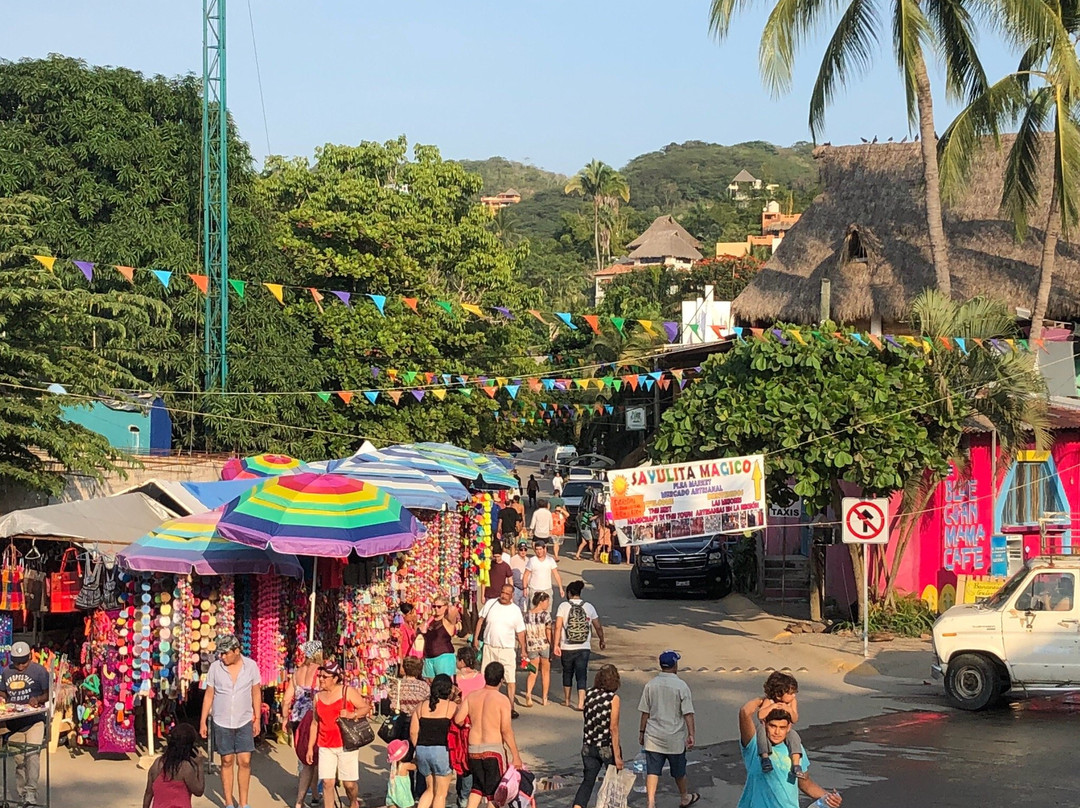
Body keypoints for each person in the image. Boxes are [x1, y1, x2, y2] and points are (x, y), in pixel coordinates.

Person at [737, 697, 841, 808]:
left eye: (782, 727)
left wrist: (829, 797)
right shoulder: (754, 746)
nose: (777, 732)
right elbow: (745, 712)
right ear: (764, 724)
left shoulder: (795, 749)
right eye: (773, 726)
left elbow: (805, 783)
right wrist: (768, 699)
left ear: (788, 727)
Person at [199, 634, 261, 808]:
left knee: (245, 761)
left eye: (226, 653)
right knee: (226, 761)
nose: (222, 657)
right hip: (222, 720)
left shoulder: (251, 666)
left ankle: (244, 803)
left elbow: (256, 692)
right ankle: (228, 802)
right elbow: (209, 695)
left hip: (244, 720)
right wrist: (203, 721)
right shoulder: (215, 668)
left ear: (236, 651)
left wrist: (257, 719)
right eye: (221, 653)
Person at [454, 663, 524, 808]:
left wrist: (470, 724)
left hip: (473, 749)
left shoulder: (472, 696)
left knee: (477, 788)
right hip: (493, 750)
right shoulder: (502, 700)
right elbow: (506, 730)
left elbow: (458, 719)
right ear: (501, 680)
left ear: (485, 677)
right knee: (494, 794)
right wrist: (515, 755)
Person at [306, 660, 371, 808]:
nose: (321, 679)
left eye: (325, 676)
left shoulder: (347, 692)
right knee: (328, 783)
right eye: (320, 676)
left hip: (346, 744)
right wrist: (310, 747)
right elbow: (315, 723)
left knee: (349, 784)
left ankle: (353, 802)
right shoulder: (317, 697)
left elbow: (365, 708)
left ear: (335, 678)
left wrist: (351, 714)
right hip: (325, 745)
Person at [638, 651, 698, 808]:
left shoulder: (650, 685)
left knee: (653, 771)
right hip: (674, 737)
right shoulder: (681, 686)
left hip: (653, 736)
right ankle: (684, 797)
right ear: (675, 665)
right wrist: (691, 734)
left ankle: (651, 802)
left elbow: (645, 712)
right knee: (679, 771)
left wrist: (642, 732)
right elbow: (688, 713)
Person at [0, 642, 50, 807]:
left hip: (35, 720)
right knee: (19, 760)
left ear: (30, 656)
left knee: (33, 755)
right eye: (17, 662)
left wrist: (38, 700)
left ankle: (31, 793)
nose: (20, 666)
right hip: (15, 723)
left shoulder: (39, 671)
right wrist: (3, 699)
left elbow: (48, 693)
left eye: (24, 662)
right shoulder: (7, 672)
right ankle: (22, 793)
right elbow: (3, 691)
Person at [572, 665, 623, 808]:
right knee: (613, 782)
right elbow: (613, 728)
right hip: (606, 746)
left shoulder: (589, 693)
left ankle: (577, 806)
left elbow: (587, 717)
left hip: (588, 745)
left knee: (588, 782)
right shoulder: (613, 699)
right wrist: (617, 756)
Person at [473, 584, 527, 718]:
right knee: (485, 676)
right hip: (489, 646)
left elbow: (520, 631)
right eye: (502, 592)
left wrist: (524, 650)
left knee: (510, 678)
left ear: (512, 596)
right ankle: (483, 704)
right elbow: (480, 621)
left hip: (506, 649)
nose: (503, 595)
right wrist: (475, 639)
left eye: (507, 594)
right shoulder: (491, 603)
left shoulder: (515, 610)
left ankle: (511, 706)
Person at [281, 640, 323, 808]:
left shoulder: (297, 672)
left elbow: (286, 699)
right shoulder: (320, 672)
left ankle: (311, 793)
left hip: (297, 717)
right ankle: (313, 793)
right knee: (313, 757)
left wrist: (285, 718)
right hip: (313, 718)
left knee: (302, 755)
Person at [553, 580, 604, 710]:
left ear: (569, 593)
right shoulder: (589, 606)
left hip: (567, 646)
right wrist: (601, 640)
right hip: (584, 647)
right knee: (582, 675)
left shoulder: (563, 606)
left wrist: (556, 645)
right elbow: (597, 626)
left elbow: (558, 626)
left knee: (567, 672)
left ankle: (567, 700)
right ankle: (581, 703)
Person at [411, 674, 456, 808]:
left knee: (430, 789)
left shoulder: (421, 706)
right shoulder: (451, 706)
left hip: (422, 750)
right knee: (440, 794)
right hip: (442, 750)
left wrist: (417, 747)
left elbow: (413, 731)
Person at [142, 723, 205, 808]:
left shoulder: (157, 763)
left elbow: (148, 794)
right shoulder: (185, 768)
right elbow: (199, 791)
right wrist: (200, 765)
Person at [755, 673, 803, 775]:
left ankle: (796, 764)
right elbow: (760, 715)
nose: (793, 696)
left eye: (794, 693)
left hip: (785, 732)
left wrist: (789, 709)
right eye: (790, 693)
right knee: (760, 729)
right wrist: (771, 707)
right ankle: (765, 757)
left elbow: (794, 719)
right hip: (768, 732)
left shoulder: (792, 702)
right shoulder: (769, 701)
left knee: (794, 736)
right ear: (778, 694)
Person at [522, 592, 553, 707]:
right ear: (541, 601)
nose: (548, 604)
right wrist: (552, 643)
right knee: (545, 672)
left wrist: (524, 647)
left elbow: (523, 632)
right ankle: (544, 698)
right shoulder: (546, 615)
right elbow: (548, 631)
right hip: (544, 645)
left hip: (531, 645)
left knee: (532, 672)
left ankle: (528, 693)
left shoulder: (526, 615)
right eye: (546, 601)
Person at [422, 595, 462, 679]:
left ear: (446, 607)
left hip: (443, 657)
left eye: (439, 606)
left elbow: (453, 610)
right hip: (429, 657)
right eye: (434, 606)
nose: (436, 608)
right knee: (430, 686)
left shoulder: (447, 620)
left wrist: (448, 605)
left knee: (444, 685)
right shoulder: (430, 620)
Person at [522, 536, 563, 612]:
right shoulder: (532, 561)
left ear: (544, 549)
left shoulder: (550, 560)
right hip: (534, 590)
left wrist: (560, 588)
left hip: (547, 589)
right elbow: (526, 575)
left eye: (540, 549)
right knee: (534, 611)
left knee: (546, 612)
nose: (539, 551)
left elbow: (556, 574)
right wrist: (525, 588)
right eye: (537, 549)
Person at [386, 739, 417, 808]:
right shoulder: (404, 766)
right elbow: (415, 766)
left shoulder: (392, 766)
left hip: (392, 794)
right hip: (403, 795)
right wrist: (416, 758)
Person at [508, 541, 529, 611]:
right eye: (521, 549)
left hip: (525, 588)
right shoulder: (513, 559)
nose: (523, 551)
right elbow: (508, 574)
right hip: (515, 588)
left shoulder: (528, 560)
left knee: (524, 609)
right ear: (517, 550)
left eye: (525, 549)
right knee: (514, 609)